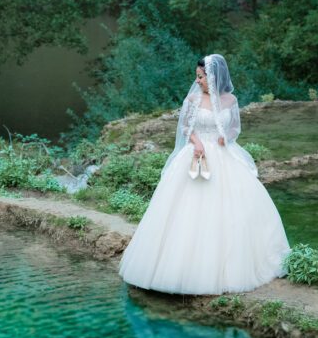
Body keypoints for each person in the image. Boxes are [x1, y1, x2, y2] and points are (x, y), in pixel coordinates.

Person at [119, 54, 290, 295]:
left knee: (233, 210)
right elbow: (185, 127)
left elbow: (234, 128)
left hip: (222, 155)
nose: (197, 81)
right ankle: (173, 269)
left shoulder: (230, 100)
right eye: (197, 77)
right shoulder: (193, 98)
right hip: (196, 154)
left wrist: (226, 137)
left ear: (214, 77)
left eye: (201, 77)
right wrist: (197, 143)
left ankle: (228, 268)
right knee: (185, 210)